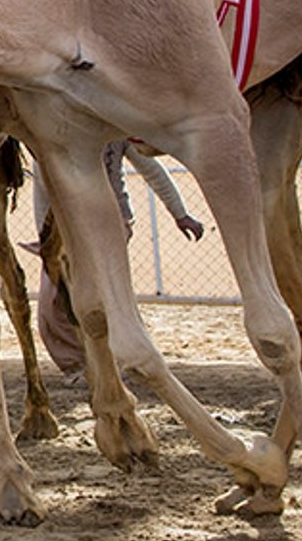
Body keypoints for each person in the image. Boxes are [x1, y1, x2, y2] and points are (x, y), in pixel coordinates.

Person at [33, 141, 203, 375]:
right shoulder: (51, 133)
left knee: (108, 294)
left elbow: (152, 170)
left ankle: (123, 360)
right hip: (65, 227)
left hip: (112, 222)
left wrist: (180, 214)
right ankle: (77, 365)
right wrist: (46, 239)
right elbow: (43, 185)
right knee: (54, 299)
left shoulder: (116, 131)